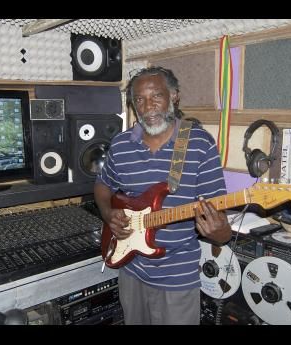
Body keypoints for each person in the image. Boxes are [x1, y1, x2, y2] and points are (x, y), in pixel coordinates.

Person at [94, 66, 231, 325]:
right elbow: (103, 186)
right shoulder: (121, 145)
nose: (148, 107)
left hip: (177, 279)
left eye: (156, 96)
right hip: (130, 269)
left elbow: (223, 233)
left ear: (174, 96)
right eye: (139, 100)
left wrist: (218, 230)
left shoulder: (200, 145)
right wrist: (107, 213)